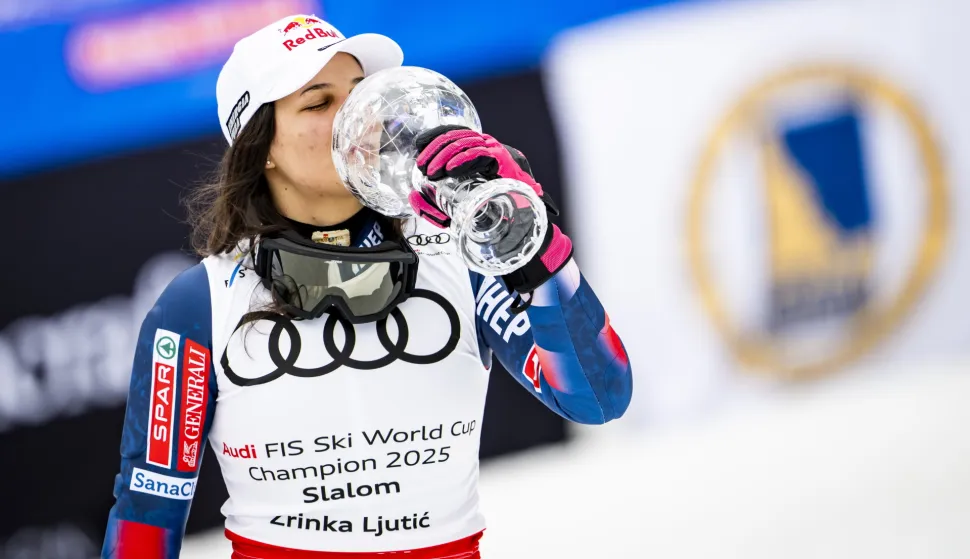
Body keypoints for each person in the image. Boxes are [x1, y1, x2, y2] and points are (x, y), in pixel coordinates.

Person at [101, 14, 632, 559]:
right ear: (260, 146)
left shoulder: (459, 251)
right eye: (317, 102)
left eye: (361, 93)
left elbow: (598, 397)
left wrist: (535, 246)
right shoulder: (200, 303)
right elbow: (148, 513)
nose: (358, 117)